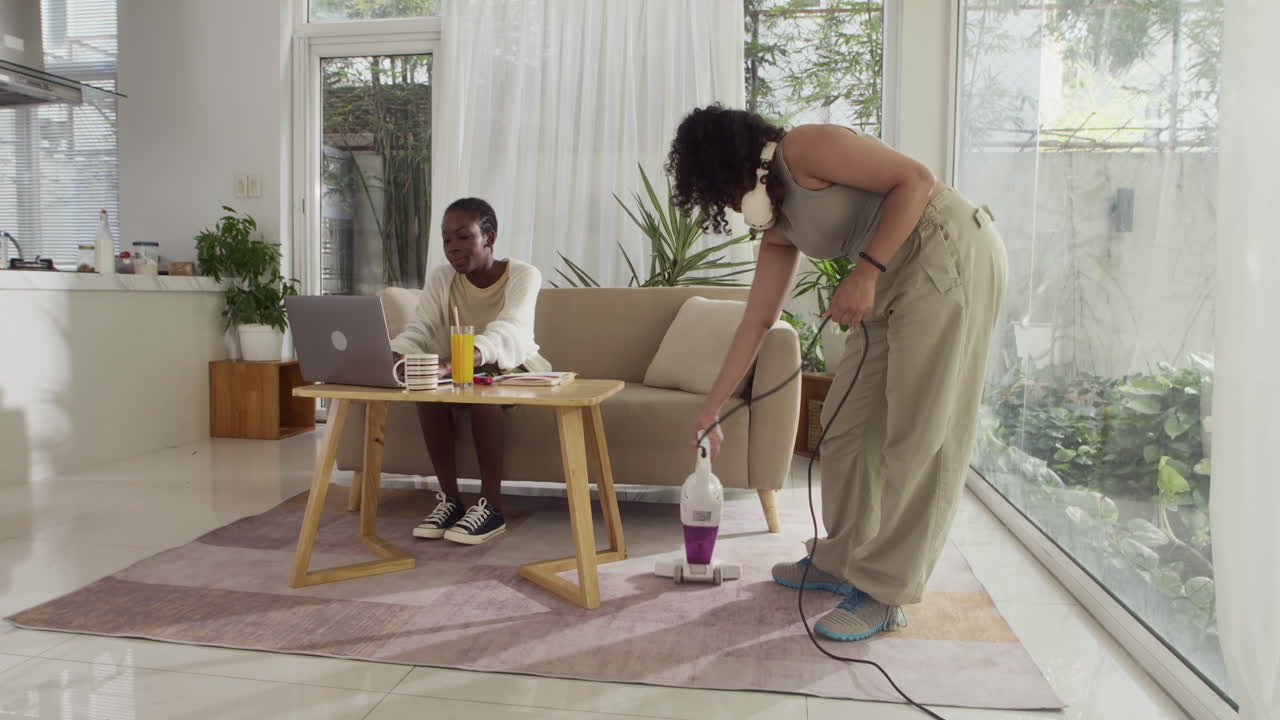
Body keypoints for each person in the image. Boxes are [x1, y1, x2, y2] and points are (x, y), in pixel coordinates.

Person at [667, 105, 1008, 641]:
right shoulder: (777, 225)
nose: (728, 206)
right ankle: (840, 558)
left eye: (718, 190)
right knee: (846, 427)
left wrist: (865, 271)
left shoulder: (803, 148)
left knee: (920, 435)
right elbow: (758, 320)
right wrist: (712, 406)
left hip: (945, 251)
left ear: (728, 163)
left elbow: (915, 180)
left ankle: (886, 592)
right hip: (889, 274)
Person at [390, 197, 551, 546]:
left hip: (513, 365)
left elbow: (511, 330)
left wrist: (459, 360)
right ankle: (450, 501)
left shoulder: (523, 275)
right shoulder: (442, 278)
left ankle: (491, 508)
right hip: (459, 366)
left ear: (489, 237)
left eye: (464, 237)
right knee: (426, 395)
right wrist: (396, 354)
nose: (453, 248)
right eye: (447, 239)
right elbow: (420, 328)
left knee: (483, 391)